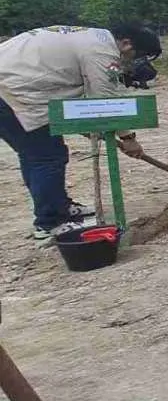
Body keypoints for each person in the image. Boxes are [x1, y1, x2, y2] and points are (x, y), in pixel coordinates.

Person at [0, 24, 159, 241]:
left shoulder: (95, 37)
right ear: (126, 43)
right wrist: (128, 138)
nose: (134, 61)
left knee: (37, 155)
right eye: (137, 55)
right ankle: (50, 222)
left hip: (17, 89)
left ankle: (59, 206)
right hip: (11, 93)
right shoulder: (102, 50)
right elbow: (104, 99)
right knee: (46, 157)